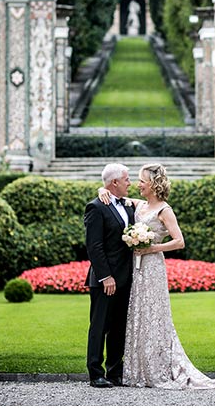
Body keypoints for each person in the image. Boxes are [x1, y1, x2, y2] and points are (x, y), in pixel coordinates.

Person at [99, 163, 215, 389]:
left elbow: (179, 241)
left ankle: (157, 368)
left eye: (141, 181)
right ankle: (137, 369)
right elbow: (113, 194)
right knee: (137, 314)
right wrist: (102, 190)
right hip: (134, 267)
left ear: (152, 184)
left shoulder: (164, 210)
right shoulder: (139, 206)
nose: (137, 184)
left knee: (153, 314)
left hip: (152, 267)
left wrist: (152, 248)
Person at [84, 163, 135, 388]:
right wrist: (106, 277)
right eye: (126, 179)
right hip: (105, 280)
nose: (130, 183)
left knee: (118, 327)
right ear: (114, 182)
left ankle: (115, 372)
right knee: (99, 326)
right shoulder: (96, 207)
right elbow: (94, 246)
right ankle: (96, 373)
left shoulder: (129, 205)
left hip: (126, 277)